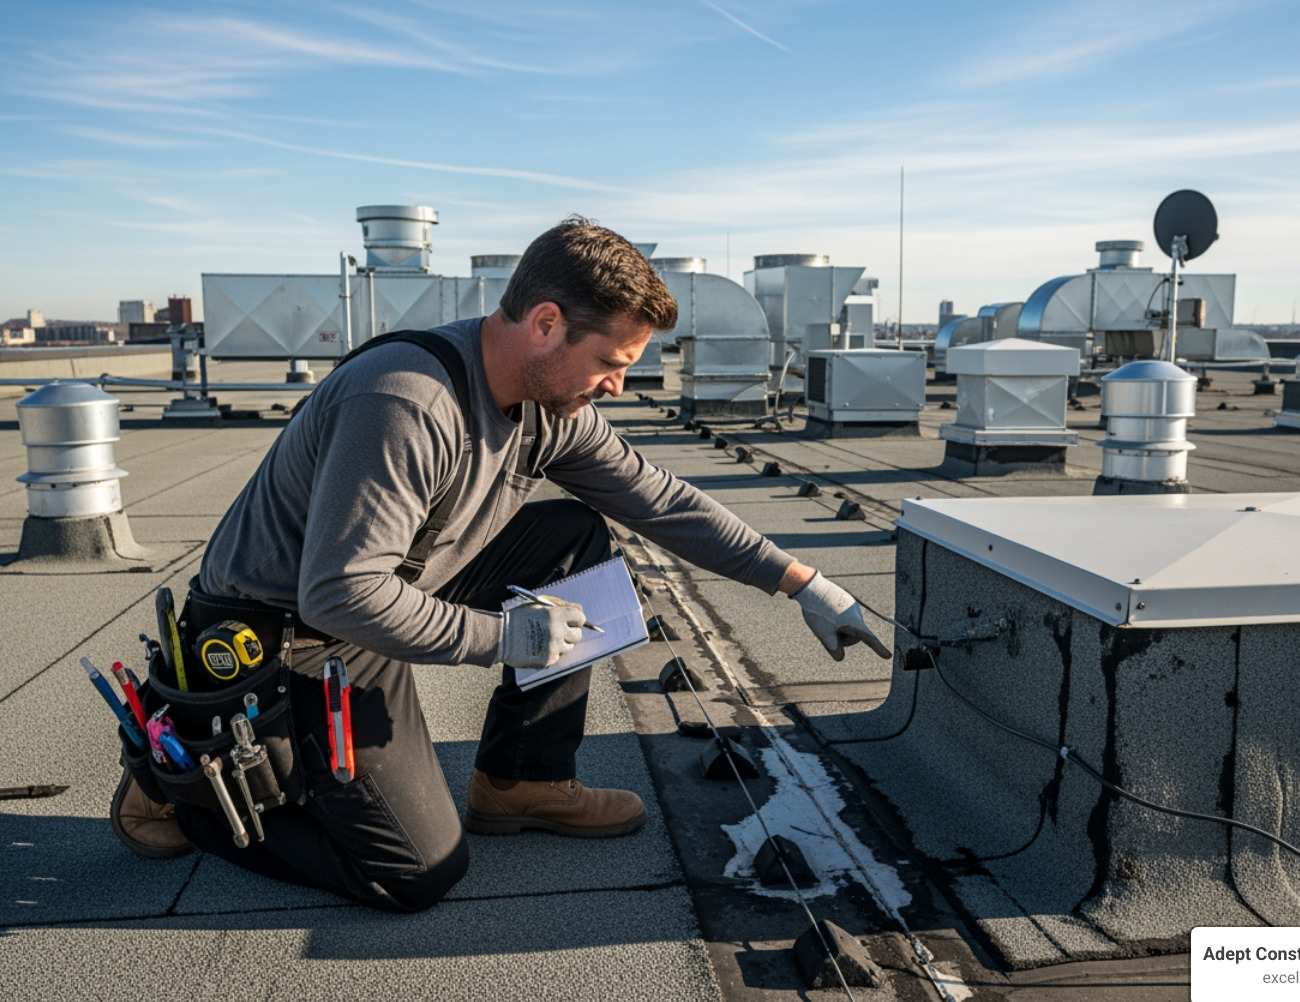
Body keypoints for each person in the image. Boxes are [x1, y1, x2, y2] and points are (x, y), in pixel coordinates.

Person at [110, 216, 891, 911]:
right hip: (287, 636)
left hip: (389, 587)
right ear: (546, 324)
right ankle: (178, 794)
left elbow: (660, 499)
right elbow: (340, 593)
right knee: (411, 874)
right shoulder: (408, 402)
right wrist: (505, 638)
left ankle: (522, 780)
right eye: (612, 361)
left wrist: (805, 585)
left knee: (575, 539)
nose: (619, 384)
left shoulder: (548, 407)